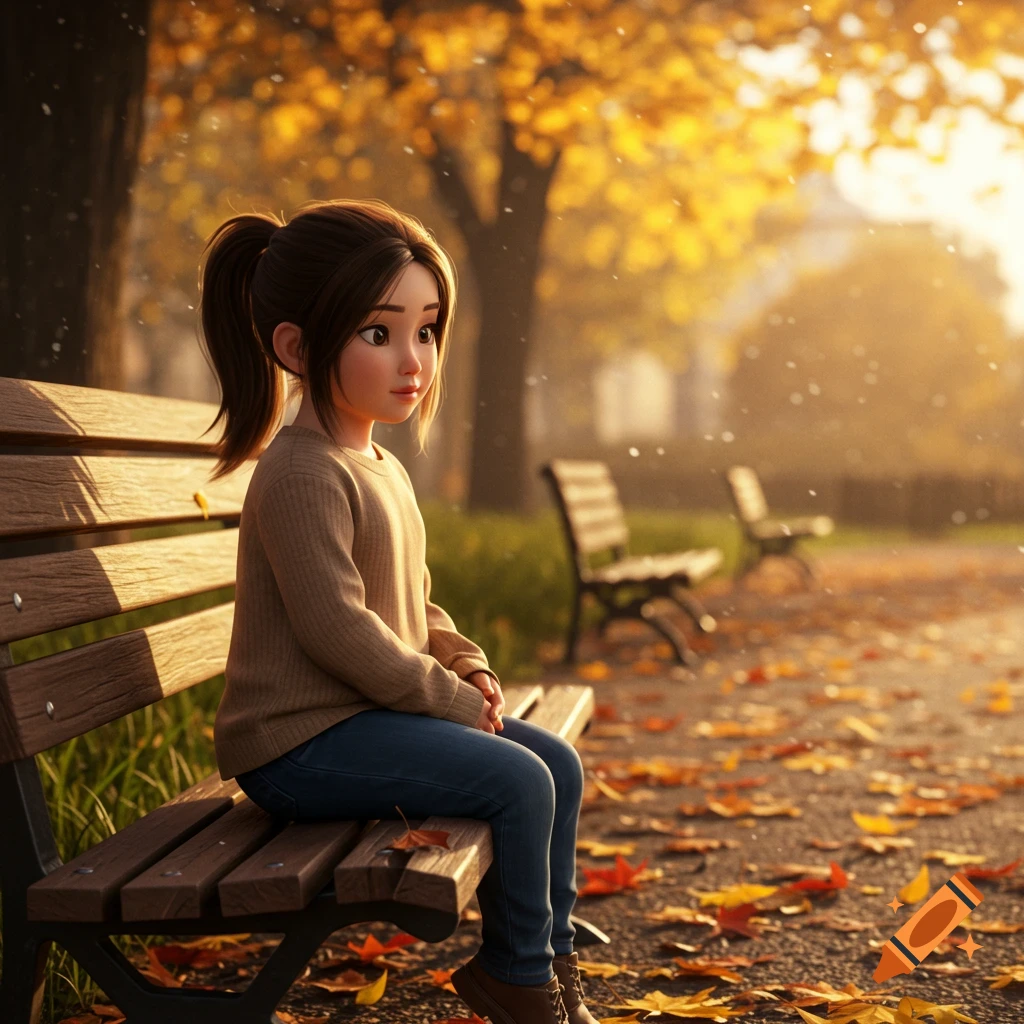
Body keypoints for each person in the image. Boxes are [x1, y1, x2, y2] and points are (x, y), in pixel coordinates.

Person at [196, 198, 597, 1024]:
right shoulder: (303, 472)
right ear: (296, 347)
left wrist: (467, 664)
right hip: (298, 745)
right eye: (379, 333)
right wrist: (448, 701)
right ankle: (519, 984)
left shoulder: (375, 460)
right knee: (518, 780)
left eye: (426, 329)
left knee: (555, 762)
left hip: (361, 719)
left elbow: (412, 602)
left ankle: (543, 956)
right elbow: (339, 629)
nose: (412, 358)